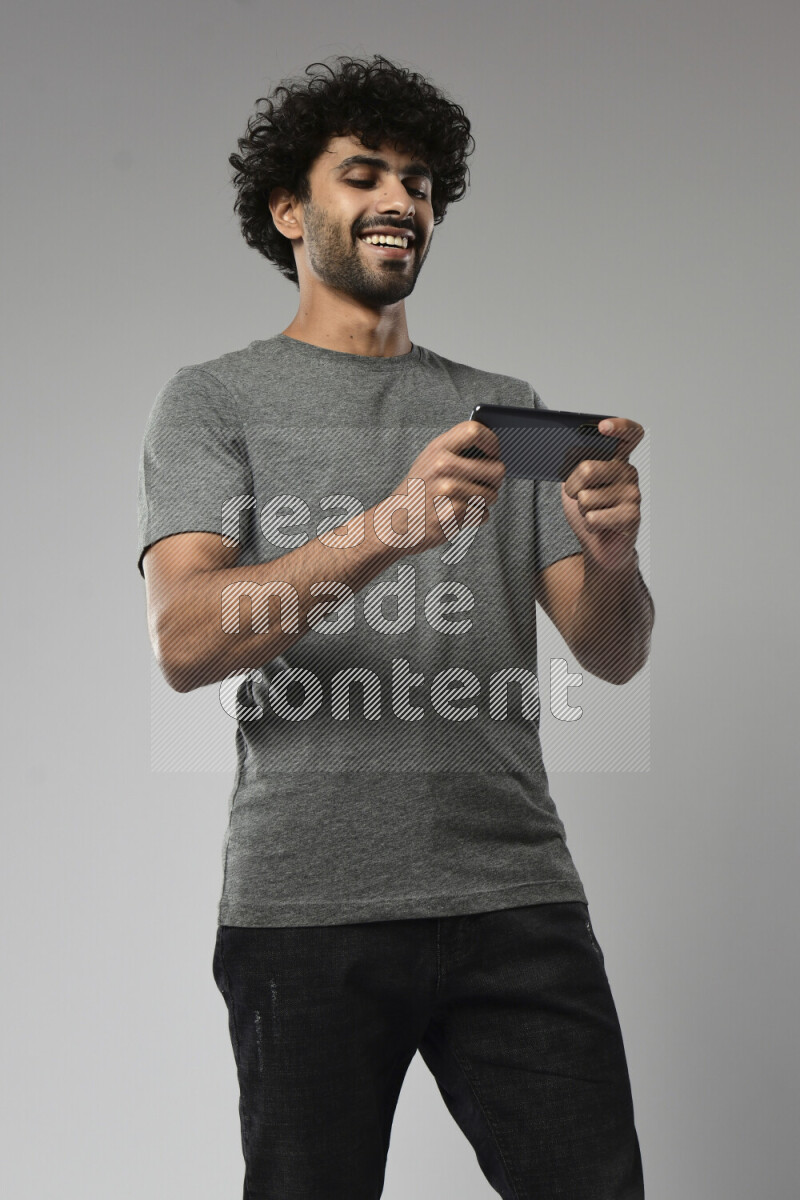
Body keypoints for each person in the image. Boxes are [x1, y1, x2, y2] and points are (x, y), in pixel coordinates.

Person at [137, 54, 654, 1200]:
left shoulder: (503, 409)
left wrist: (612, 558)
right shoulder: (214, 401)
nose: (398, 202)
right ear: (289, 209)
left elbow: (611, 653)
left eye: (418, 182)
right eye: (361, 173)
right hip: (303, 910)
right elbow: (183, 638)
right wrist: (391, 526)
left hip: (515, 896)